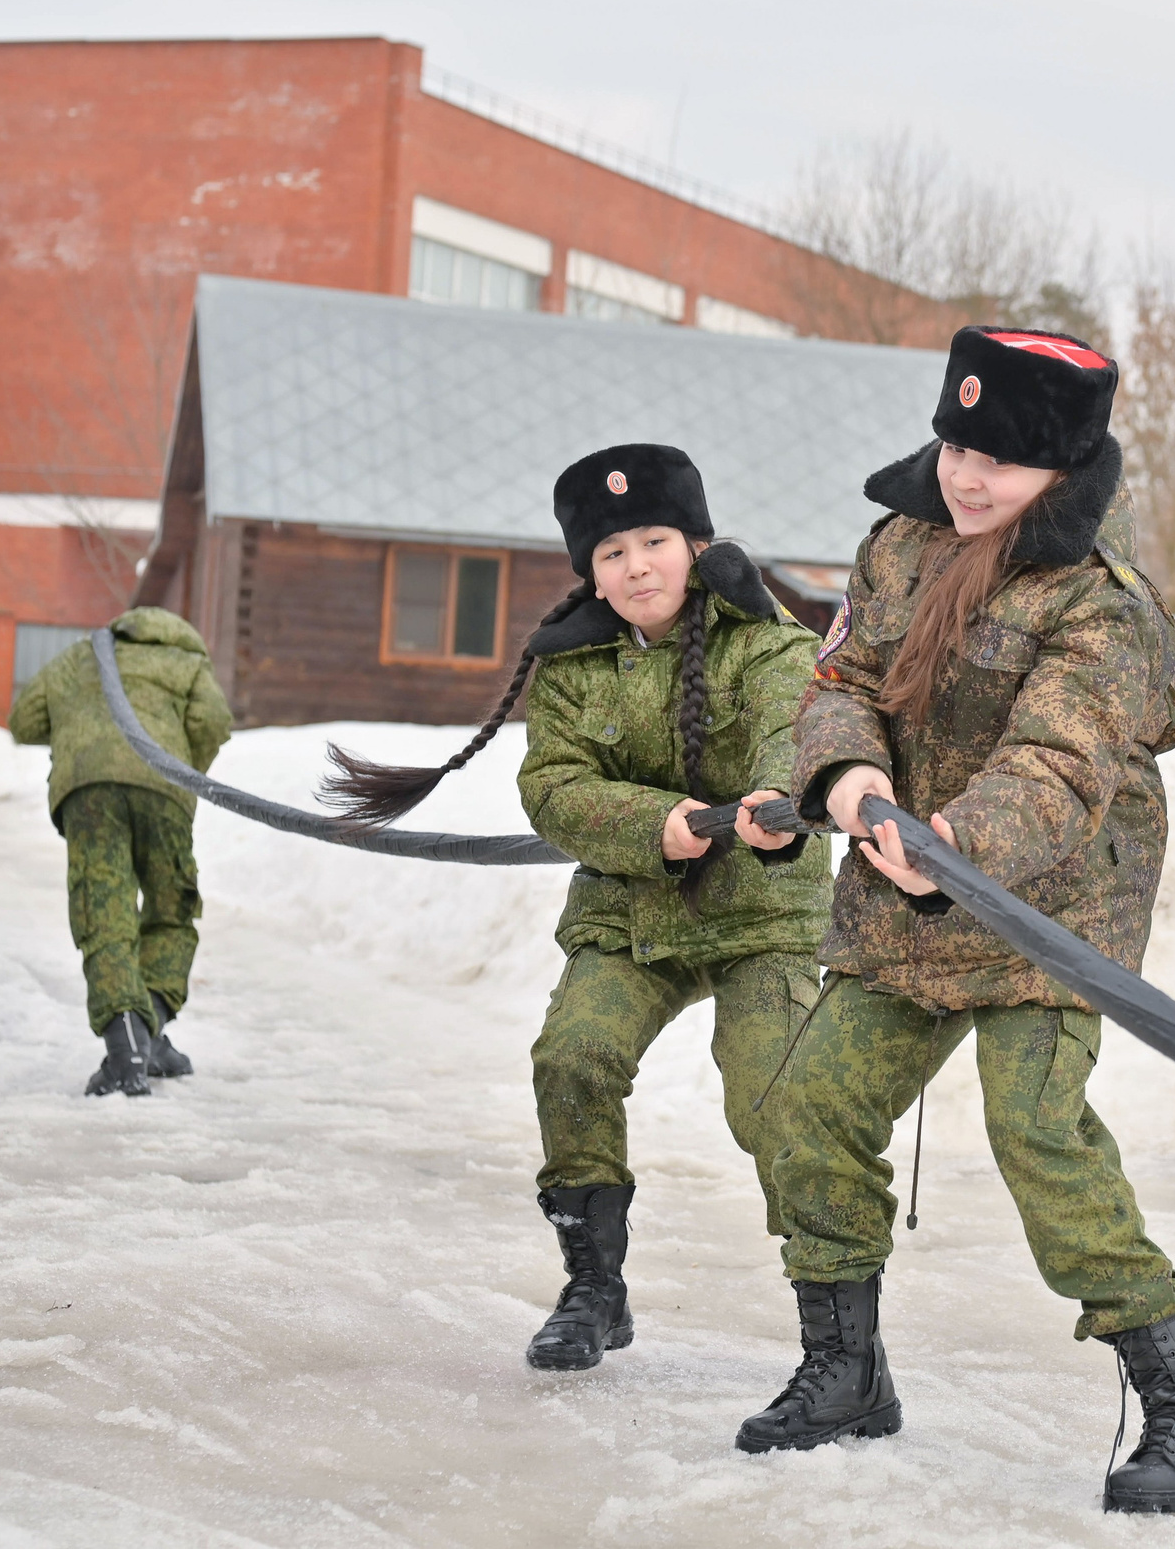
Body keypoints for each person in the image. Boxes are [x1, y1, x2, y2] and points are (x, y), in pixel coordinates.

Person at [738, 327, 1175, 1514]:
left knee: (1037, 1130)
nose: (968, 476)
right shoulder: (902, 545)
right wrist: (852, 783)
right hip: (906, 861)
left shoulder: (1100, 605)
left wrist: (959, 847)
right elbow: (842, 685)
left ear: (1063, 473)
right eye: (958, 443)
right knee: (807, 1103)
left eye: (1002, 461)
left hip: (1050, 893)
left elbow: (1057, 765)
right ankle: (845, 1368)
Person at [321, 444, 830, 1373]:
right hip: (632, 909)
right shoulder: (573, 664)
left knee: (779, 1098)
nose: (637, 565)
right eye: (611, 553)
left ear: (697, 542)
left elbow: (793, 730)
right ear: (589, 572)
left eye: (654, 539)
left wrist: (770, 805)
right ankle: (594, 1285)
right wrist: (658, 823)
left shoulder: (769, 641)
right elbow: (552, 784)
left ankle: (840, 1341)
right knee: (573, 1058)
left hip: (765, 909)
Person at [8, 605, 233, 1098]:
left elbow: (24, 720)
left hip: (88, 792)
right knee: (171, 908)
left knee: (104, 909)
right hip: (166, 787)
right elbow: (213, 722)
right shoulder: (187, 664)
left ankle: (131, 1040)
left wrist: (82, 728)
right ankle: (142, 1028)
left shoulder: (79, 658)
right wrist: (181, 764)